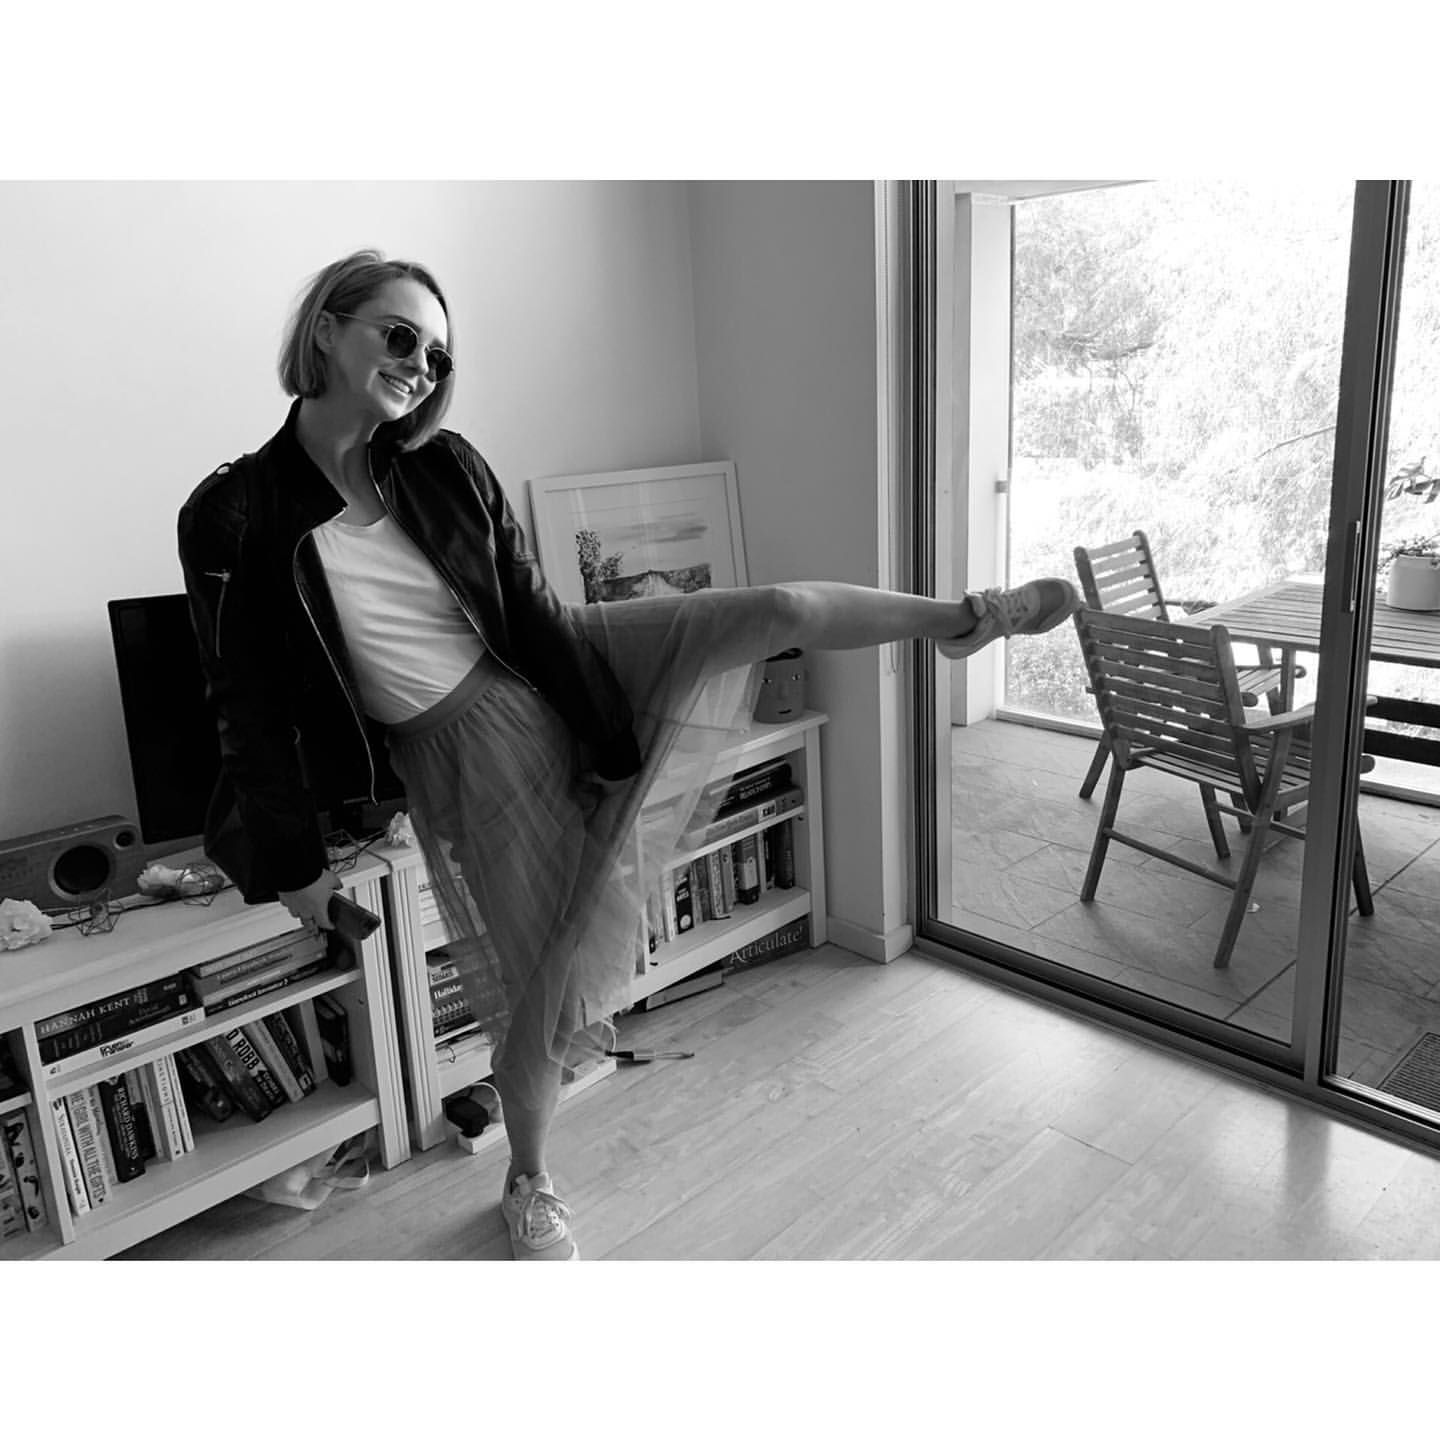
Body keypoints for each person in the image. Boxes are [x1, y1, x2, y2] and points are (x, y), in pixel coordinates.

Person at [177, 249, 1078, 1262]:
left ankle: (966, 618)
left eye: (437, 354)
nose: (420, 366)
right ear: (326, 329)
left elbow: (530, 610)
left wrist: (608, 737)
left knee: (776, 608)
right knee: (544, 986)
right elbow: (245, 704)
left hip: (555, 661)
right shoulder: (235, 513)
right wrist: (295, 864)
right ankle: (529, 1181)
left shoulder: (444, 464)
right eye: (399, 336)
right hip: (464, 752)